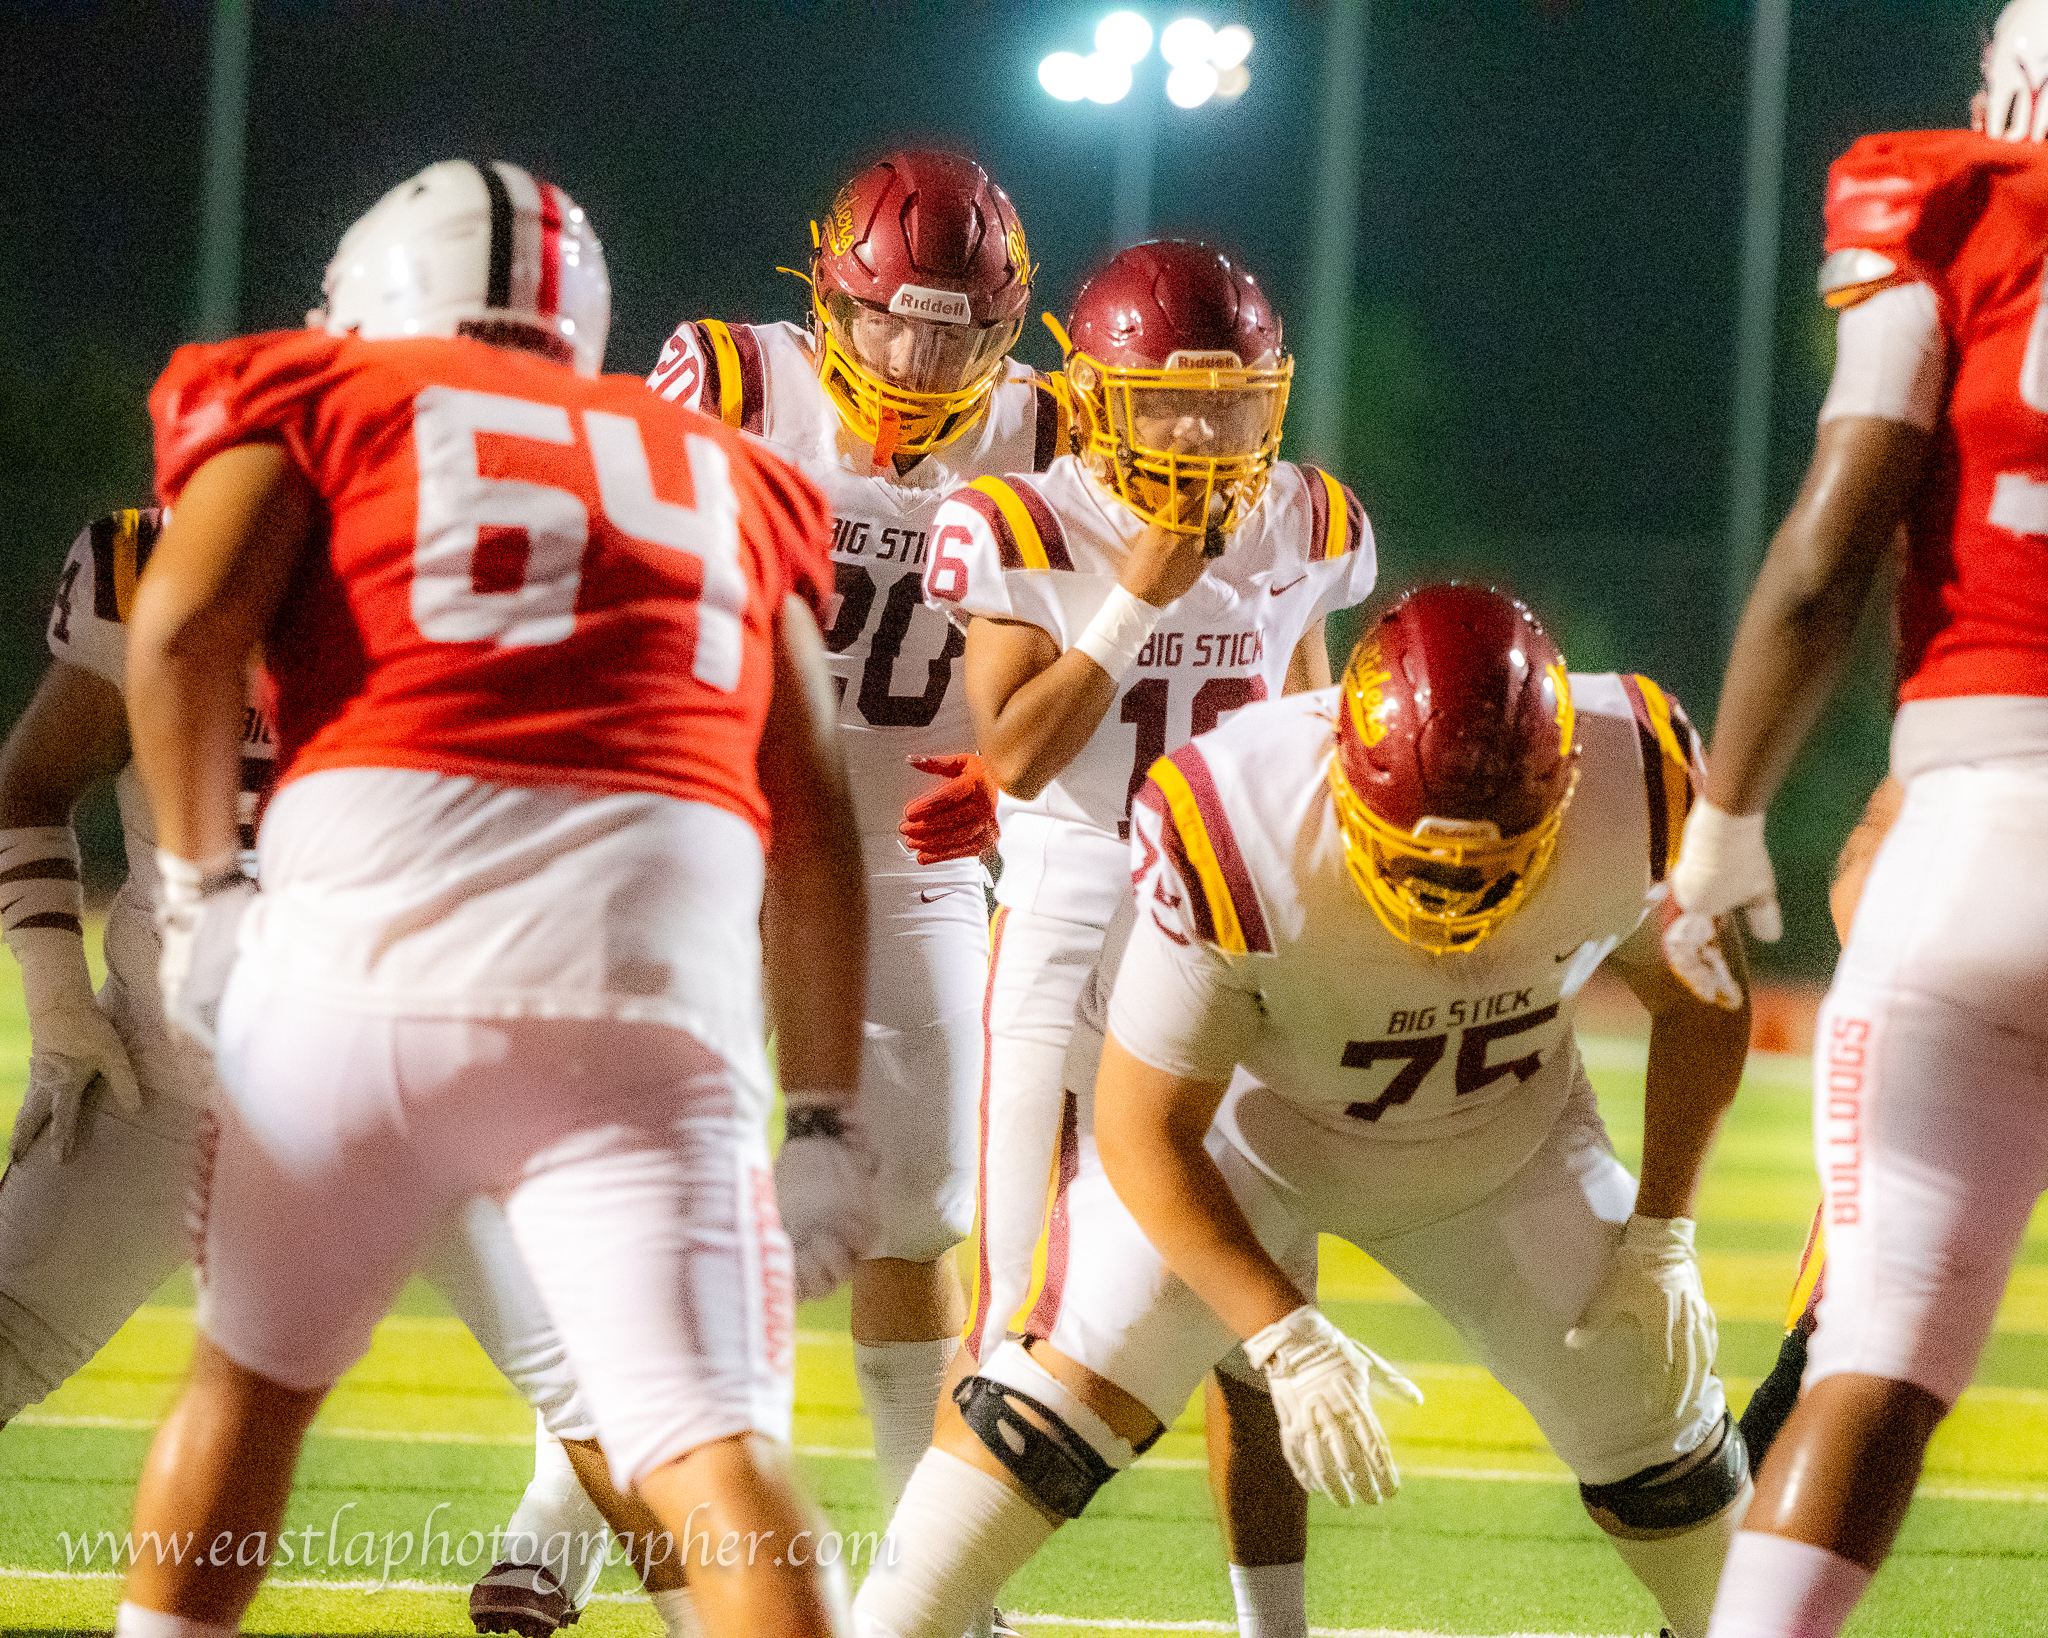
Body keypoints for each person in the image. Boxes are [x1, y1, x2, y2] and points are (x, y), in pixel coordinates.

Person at [112, 158, 865, 1638]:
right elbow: (818, 822)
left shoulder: (321, 390)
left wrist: (200, 896)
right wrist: (829, 1118)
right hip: (646, 999)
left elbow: (185, 629)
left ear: (374, 294)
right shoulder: (731, 467)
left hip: (359, 964)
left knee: (245, 1390)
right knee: (717, 1456)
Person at [854, 585, 1758, 1638]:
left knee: (1658, 1423)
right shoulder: (1238, 817)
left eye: (1493, 866)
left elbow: (1703, 1003)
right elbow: (1144, 1128)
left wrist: (1662, 1229)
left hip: (1500, 1140)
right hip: (1247, 1137)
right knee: (1046, 1410)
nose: (1452, 901)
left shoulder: (1640, 774)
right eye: (1416, 859)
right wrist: (1281, 1335)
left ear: (1567, 783)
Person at [0, 507, 636, 1625]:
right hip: (171, 1077)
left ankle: (623, 1571)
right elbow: (30, 784)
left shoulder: (491, 580)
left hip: (410, 1090)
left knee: (630, 1400)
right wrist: (57, 1000)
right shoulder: (144, 566)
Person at [918, 238, 1377, 1638]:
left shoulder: (1305, 518)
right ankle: (948, 1605)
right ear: (1098, 401)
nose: (1203, 433)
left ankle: (1273, 1625)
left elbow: (1307, 732)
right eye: (1172, 402)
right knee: (1015, 1310)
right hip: (1073, 928)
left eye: (1233, 403)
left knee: (1260, 1302)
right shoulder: (1022, 519)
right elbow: (1012, 751)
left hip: (1233, 943)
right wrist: (1136, 600)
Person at [626, 156, 1058, 1632]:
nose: (922, 362)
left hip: (909, 845)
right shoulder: (734, 381)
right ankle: (556, 1520)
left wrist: (1017, 765)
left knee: (917, 1213)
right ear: (830, 297)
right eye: (895, 324)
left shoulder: (1050, 429)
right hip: (711, 825)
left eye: (958, 333)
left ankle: (923, 1580)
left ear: (1006, 328)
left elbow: (1098, 638)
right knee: (641, 1178)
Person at [1672, 10, 2048, 1632]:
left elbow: (1827, 556)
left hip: (1982, 821)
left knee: (1876, 1342)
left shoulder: (1957, 207)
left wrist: (1724, 820)